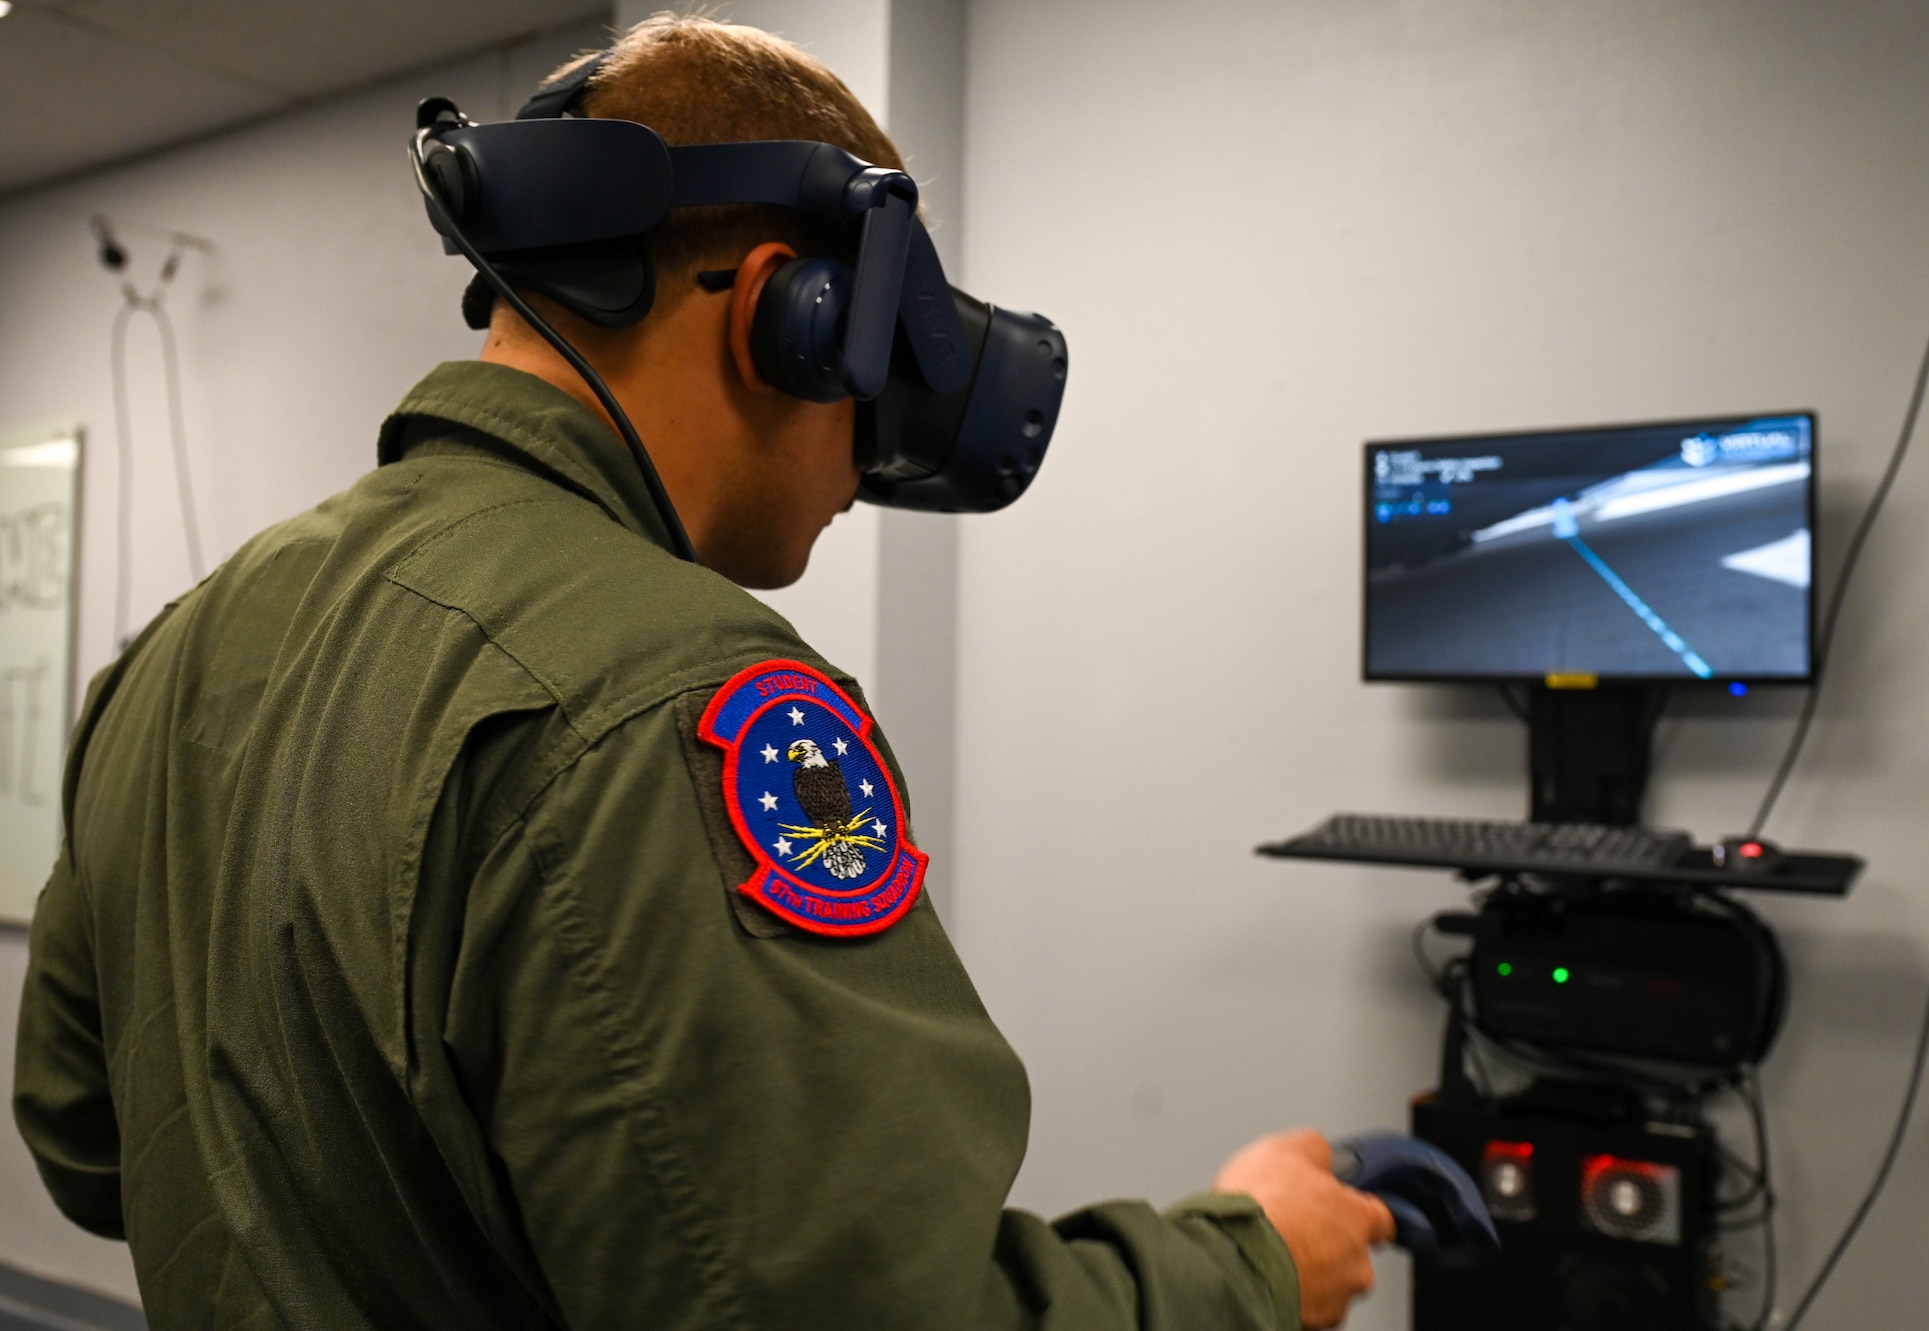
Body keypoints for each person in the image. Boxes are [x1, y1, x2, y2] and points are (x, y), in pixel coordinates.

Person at [14, 14, 1393, 1330]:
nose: (870, 463)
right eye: (880, 367)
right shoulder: (667, 690)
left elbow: (89, 1141)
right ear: (790, 311)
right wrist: (1251, 1263)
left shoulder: (182, 648)